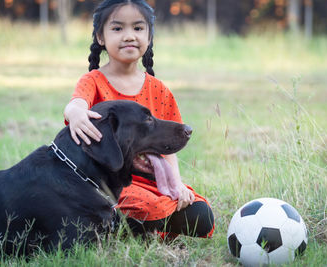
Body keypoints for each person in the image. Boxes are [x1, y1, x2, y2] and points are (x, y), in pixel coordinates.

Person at [63, 0, 214, 238]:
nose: (129, 36)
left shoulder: (158, 89)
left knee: (201, 215)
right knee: (149, 208)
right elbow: (77, 103)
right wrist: (75, 112)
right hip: (109, 182)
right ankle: (119, 223)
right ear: (100, 37)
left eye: (138, 28)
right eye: (117, 28)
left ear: (149, 36)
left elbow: (167, 147)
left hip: (151, 180)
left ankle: (140, 225)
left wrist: (177, 185)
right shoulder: (92, 81)